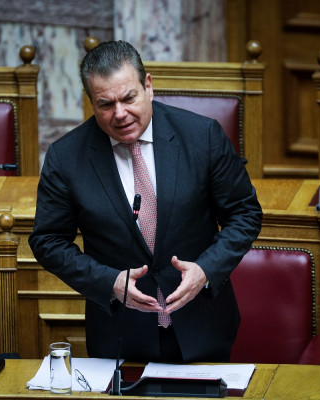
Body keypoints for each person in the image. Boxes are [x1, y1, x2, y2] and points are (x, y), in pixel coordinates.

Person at [29, 40, 262, 363]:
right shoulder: (66, 157)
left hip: (201, 326)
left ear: (148, 86)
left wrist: (206, 270)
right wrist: (108, 281)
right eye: (106, 104)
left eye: (129, 98)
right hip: (119, 336)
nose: (120, 114)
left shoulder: (202, 136)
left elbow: (244, 213)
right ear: (91, 102)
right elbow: (48, 241)